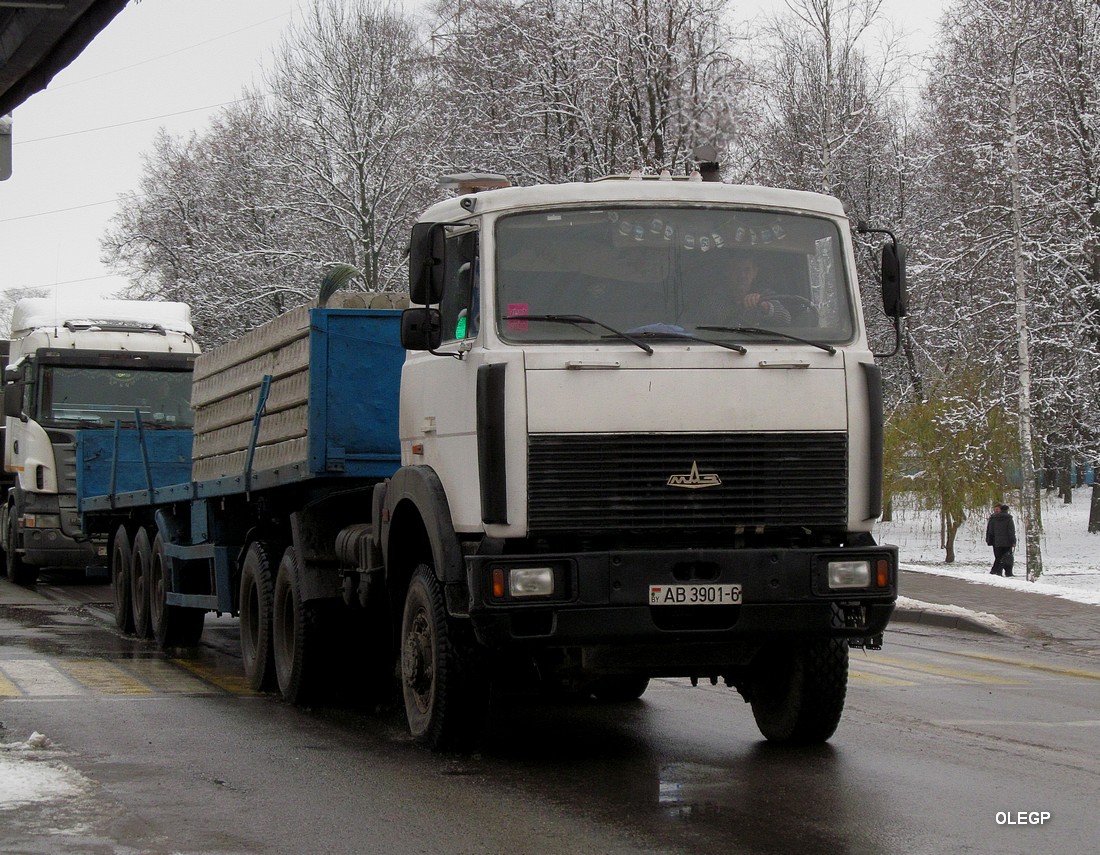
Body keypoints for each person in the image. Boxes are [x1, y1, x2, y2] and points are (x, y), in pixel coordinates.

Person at [986, 503, 1017, 577]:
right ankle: (1007, 572)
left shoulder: (993, 518)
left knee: (998, 557)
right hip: (1007, 542)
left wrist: (989, 540)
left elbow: (990, 531)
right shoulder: (1009, 519)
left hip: (996, 542)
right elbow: (1011, 531)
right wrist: (1013, 541)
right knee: (1007, 557)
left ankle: (996, 571)